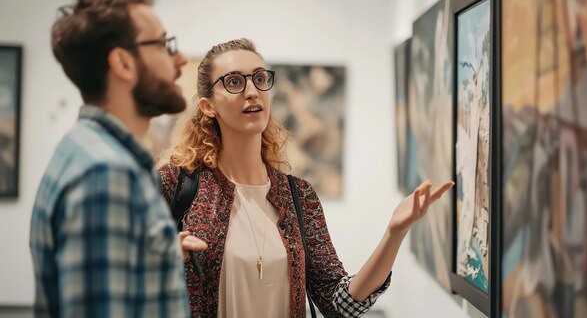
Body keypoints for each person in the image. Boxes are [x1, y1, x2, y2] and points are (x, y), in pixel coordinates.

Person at [159, 38, 454, 318]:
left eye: (260, 78)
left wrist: (395, 233)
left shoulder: (298, 196)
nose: (252, 91)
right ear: (208, 106)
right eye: (234, 82)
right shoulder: (175, 185)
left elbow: (339, 305)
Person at [29, 0, 207, 318]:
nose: (180, 58)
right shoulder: (107, 174)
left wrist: (155, 254)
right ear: (124, 64)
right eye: (163, 44)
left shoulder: (84, 149)